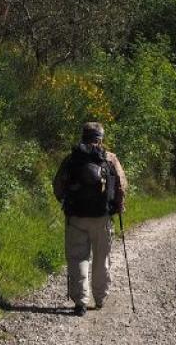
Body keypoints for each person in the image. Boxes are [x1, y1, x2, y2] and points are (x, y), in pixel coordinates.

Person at [52, 121, 128, 316]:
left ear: (83, 136)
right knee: (102, 258)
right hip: (102, 217)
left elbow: (58, 186)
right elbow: (121, 185)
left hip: (76, 216)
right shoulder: (110, 158)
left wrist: (66, 202)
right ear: (100, 138)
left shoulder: (72, 158)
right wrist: (119, 206)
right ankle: (100, 298)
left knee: (78, 257)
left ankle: (81, 302)